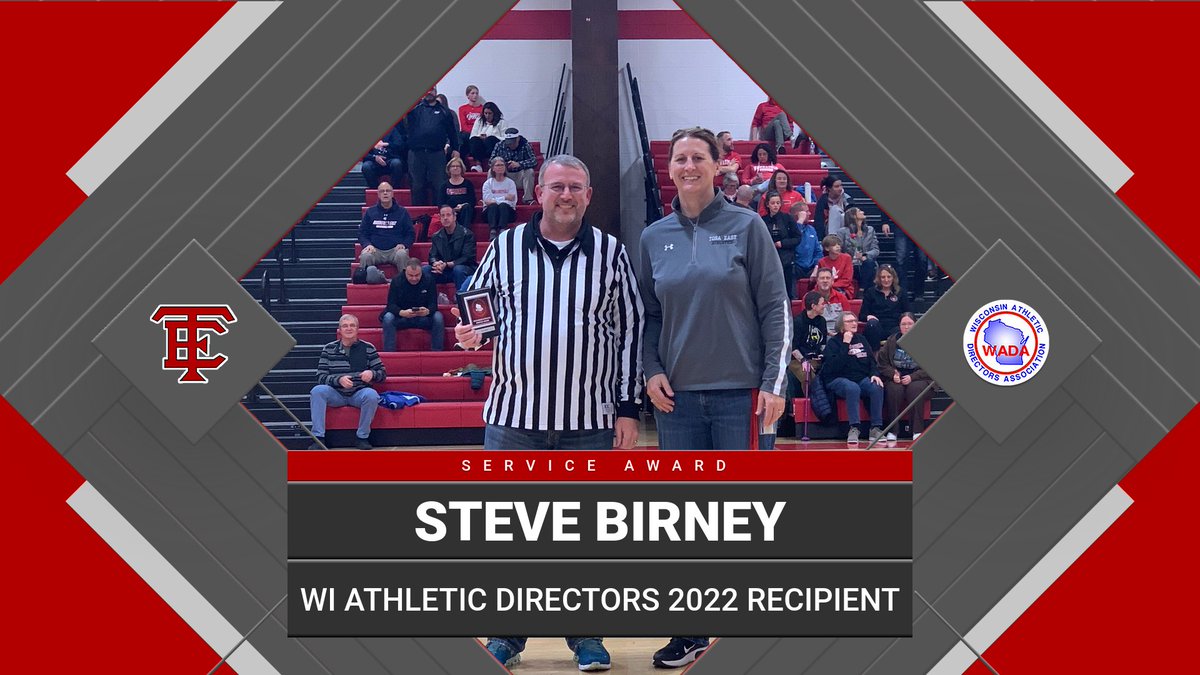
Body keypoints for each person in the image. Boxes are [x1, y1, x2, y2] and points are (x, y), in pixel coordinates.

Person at [455, 155, 643, 672]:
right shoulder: (506, 247)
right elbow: (481, 312)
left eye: (575, 187)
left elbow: (630, 331)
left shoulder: (611, 253)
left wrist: (628, 407)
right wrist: (472, 335)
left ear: (589, 195)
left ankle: (585, 636)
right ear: (538, 192)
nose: (566, 195)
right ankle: (506, 634)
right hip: (514, 418)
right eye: (557, 186)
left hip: (589, 420)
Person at [640, 127, 790, 669]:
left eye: (697, 157)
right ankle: (691, 631)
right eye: (679, 158)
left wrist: (774, 383)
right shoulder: (653, 237)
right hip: (677, 403)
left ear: (717, 164)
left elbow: (776, 308)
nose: (688, 166)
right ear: (670, 168)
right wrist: (651, 370)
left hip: (740, 398)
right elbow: (648, 317)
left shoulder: (748, 226)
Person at [308, 314, 385, 450]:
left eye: (352, 325)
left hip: (359, 393)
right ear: (340, 330)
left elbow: (382, 374)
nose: (349, 328)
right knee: (317, 391)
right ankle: (318, 438)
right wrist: (338, 380)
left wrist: (372, 374)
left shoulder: (368, 348)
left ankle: (362, 437)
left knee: (371, 395)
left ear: (357, 329)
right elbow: (320, 376)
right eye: (345, 326)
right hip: (335, 393)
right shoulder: (328, 348)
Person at [821, 312, 884, 444]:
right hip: (837, 378)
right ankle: (854, 427)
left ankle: (875, 428)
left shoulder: (862, 339)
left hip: (861, 378)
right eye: (849, 321)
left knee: (876, 387)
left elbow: (872, 361)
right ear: (841, 325)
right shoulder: (833, 343)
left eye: (855, 320)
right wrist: (845, 344)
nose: (854, 323)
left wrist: (874, 374)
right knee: (852, 388)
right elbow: (834, 367)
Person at [877, 312, 934, 441]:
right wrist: (892, 374)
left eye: (910, 324)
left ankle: (917, 430)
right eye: (903, 324)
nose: (906, 327)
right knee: (894, 390)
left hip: (921, 378)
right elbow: (882, 363)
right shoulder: (892, 341)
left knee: (915, 389)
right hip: (897, 377)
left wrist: (912, 377)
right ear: (899, 326)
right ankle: (893, 430)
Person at [405, 87, 457, 206]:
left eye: (431, 89)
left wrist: (455, 148)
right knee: (417, 185)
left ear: (436, 92)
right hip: (416, 153)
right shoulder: (414, 109)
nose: (429, 92)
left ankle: (439, 213)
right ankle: (418, 214)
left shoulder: (444, 111)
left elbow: (452, 132)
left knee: (439, 184)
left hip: (437, 153)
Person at [381, 259, 444, 352]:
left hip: (423, 318)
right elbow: (391, 305)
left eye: (417, 275)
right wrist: (401, 312)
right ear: (405, 271)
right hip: (402, 318)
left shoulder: (429, 280)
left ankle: (437, 352)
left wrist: (427, 311)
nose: (414, 278)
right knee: (388, 317)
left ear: (421, 271)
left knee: (438, 317)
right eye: (410, 275)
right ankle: (389, 352)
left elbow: (433, 305)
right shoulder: (396, 280)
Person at [358, 182, 414, 270]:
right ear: (378, 194)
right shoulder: (370, 212)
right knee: (366, 255)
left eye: (388, 191)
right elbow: (362, 233)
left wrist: (404, 244)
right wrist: (367, 244)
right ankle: (364, 278)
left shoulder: (402, 212)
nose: (385, 193)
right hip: (375, 250)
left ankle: (403, 278)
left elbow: (410, 233)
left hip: (395, 250)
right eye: (382, 191)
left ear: (392, 194)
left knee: (402, 254)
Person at [761, 191, 801, 299]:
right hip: (769, 258)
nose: (775, 205)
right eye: (773, 203)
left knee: (787, 291)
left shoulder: (788, 218)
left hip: (786, 259)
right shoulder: (762, 220)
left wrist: (782, 243)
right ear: (767, 204)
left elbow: (797, 238)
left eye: (778, 203)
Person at [860, 264, 909, 349]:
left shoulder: (900, 292)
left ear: (893, 278)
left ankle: (896, 356)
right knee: (872, 325)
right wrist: (868, 317)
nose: (886, 280)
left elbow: (908, 312)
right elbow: (862, 315)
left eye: (889, 277)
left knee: (902, 329)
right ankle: (875, 354)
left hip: (895, 326)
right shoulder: (870, 292)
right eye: (883, 277)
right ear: (879, 278)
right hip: (877, 326)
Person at [427, 204, 476, 289]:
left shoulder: (467, 234)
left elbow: (467, 257)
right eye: (442, 216)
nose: (445, 218)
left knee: (458, 269)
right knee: (425, 270)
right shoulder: (436, 236)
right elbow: (432, 256)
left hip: (464, 268)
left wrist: (448, 264)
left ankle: (460, 296)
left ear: (454, 217)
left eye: (448, 215)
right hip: (443, 270)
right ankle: (429, 297)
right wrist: (436, 263)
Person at [833, 206, 879, 292]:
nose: (863, 212)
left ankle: (862, 289)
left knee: (869, 264)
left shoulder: (870, 230)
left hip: (866, 263)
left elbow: (876, 250)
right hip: (851, 264)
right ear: (853, 216)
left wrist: (865, 255)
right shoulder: (842, 232)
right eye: (859, 211)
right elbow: (838, 250)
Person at [490, 127, 537, 203]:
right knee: (491, 171)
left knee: (529, 171)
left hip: (520, 175)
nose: (510, 145)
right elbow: (491, 162)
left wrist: (519, 164)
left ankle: (528, 199)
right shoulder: (499, 145)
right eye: (508, 143)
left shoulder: (525, 145)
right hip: (504, 175)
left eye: (512, 143)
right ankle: (491, 197)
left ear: (518, 139)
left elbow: (534, 161)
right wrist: (502, 165)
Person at [361, 123, 406, 189]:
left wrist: (386, 144)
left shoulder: (392, 130)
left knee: (397, 163)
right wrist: (375, 157)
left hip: (390, 159)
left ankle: (393, 189)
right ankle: (375, 189)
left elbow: (400, 145)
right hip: (374, 160)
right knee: (366, 166)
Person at [481, 157, 517, 239]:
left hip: (507, 212)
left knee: (503, 206)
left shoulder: (510, 183)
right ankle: (493, 231)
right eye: (497, 165)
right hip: (490, 213)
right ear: (493, 168)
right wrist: (505, 197)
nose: (500, 167)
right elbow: (487, 201)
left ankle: (502, 230)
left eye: (502, 165)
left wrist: (495, 199)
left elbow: (512, 201)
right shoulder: (488, 183)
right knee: (493, 206)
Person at [439, 157, 476, 229]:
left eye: (458, 166)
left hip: (466, 211)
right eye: (453, 166)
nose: (455, 168)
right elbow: (441, 203)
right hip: (450, 212)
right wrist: (453, 210)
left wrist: (462, 206)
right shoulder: (444, 185)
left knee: (467, 208)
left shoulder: (468, 183)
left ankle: (464, 231)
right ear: (449, 169)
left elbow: (472, 201)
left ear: (462, 168)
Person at [467, 101, 505, 171]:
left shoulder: (501, 122)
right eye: (486, 113)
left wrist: (490, 136)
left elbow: (505, 138)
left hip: (493, 144)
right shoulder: (479, 121)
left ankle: (491, 164)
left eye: (490, 113)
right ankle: (478, 164)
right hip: (480, 146)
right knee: (474, 140)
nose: (487, 116)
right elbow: (472, 136)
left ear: (494, 113)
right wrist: (480, 136)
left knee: (490, 139)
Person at [812, 266, 851, 332]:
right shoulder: (809, 298)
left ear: (832, 281)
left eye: (828, 278)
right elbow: (806, 321)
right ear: (817, 281)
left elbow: (848, 319)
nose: (825, 281)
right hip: (818, 333)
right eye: (822, 278)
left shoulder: (841, 297)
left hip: (839, 334)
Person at [814, 174, 850, 240]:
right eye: (836, 186)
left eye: (841, 185)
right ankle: (832, 239)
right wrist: (819, 240)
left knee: (837, 211)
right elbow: (819, 221)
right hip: (828, 230)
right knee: (834, 209)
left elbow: (852, 218)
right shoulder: (823, 200)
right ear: (829, 188)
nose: (840, 188)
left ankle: (833, 239)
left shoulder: (847, 199)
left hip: (846, 230)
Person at [792, 202, 822, 280]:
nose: (809, 213)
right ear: (799, 214)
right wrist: (800, 222)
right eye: (807, 211)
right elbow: (793, 238)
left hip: (811, 267)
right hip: (795, 267)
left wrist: (816, 267)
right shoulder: (790, 228)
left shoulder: (811, 229)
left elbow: (818, 252)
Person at [457, 84, 483, 158]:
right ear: (467, 95)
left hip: (479, 132)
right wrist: (473, 132)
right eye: (472, 93)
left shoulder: (482, 108)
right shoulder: (462, 108)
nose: (475, 95)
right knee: (463, 136)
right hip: (467, 133)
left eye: (477, 93)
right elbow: (463, 125)